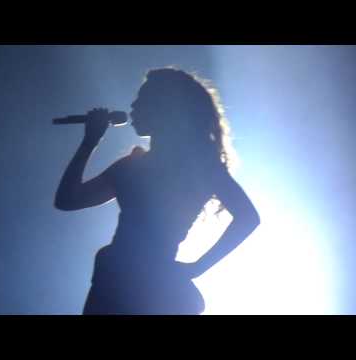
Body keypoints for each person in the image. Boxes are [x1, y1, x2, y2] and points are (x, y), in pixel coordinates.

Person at [55, 67, 260, 315]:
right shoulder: (134, 166)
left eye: (143, 99)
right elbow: (68, 200)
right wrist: (89, 142)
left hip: (145, 286)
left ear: (165, 106)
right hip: (116, 279)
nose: (133, 106)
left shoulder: (196, 165)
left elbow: (248, 217)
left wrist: (197, 267)